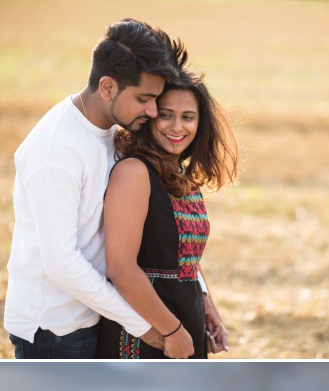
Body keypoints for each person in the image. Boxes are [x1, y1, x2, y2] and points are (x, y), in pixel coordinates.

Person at [4, 19, 209, 359]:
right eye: (144, 98)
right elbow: (61, 263)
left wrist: (199, 296)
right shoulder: (57, 151)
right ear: (108, 87)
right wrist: (146, 327)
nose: (154, 111)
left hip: (95, 317)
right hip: (57, 332)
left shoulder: (113, 132)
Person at [96, 68, 239, 358]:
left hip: (185, 317)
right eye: (166, 114)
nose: (177, 127)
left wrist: (208, 305)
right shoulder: (133, 172)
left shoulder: (180, 172)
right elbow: (121, 268)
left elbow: (185, 257)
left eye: (188, 117)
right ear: (149, 116)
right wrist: (171, 331)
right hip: (145, 330)